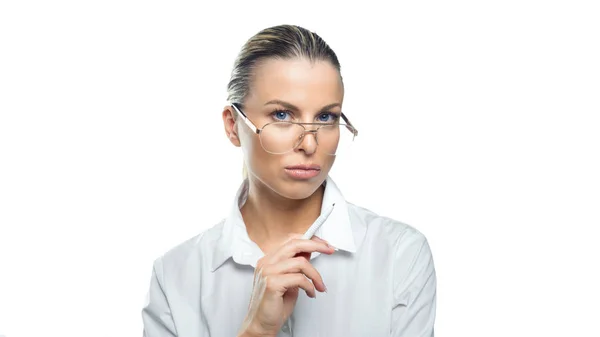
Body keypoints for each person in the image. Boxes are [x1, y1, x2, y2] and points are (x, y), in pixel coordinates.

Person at [141, 24, 436, 337]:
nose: (309, 144)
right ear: (232, 126)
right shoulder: (174, 277)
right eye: (282, 115)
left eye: (326, 117)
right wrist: (255, 331)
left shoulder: (400, 255)